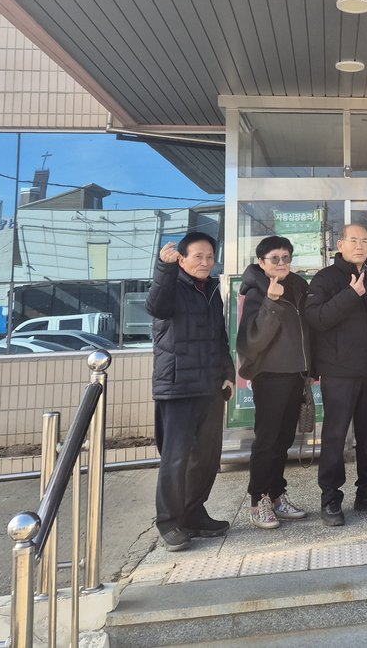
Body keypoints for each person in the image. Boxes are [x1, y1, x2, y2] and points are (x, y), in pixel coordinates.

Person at [302, 223, 367, 526]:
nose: (360, 246)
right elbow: (315, 318)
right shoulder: (325, 278)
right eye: (353, 240)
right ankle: (330, 498)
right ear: (340, 244)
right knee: (335, 436)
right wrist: (351, 294)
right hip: (338, 372)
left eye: (365, 241)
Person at [146, 232, 234, 552]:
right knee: (176, 459)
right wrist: (164, 268)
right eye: (198, 256)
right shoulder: (171, 286)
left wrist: (227, 373)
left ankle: (194, 512)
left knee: (207, 458)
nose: (205, 262)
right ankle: (169, 522)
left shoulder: (211, 290)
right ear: (181, 259)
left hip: (209, 387)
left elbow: (219, 338)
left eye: (210, 256)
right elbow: (156, 306)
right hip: (177, 387)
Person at [236, 236, 310, 530]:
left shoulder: (297, 286)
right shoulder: (257, 291)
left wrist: (311, 367)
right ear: (261, 262)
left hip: (295, 373)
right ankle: (259, 501)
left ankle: (277, 495)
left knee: (283, 440)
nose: (281, 263)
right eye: (275, 258)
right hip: (269, 375)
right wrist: (271, 301)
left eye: (286, 257)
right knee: (267, 441)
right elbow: (252, 341)